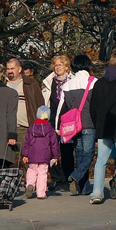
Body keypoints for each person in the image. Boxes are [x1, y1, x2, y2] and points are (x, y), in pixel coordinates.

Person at [89, 50, 116, 204]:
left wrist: (97, 123)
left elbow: (93, 107)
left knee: (101, 161)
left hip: (103, 127)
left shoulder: (99, 83)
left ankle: (97, 193)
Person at [59, 55, 97, 195]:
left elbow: (61, 108)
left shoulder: (67, 84)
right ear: (88, 65)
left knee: (80, 154)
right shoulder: (93, 82)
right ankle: (75, 176)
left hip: (73, 125)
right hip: (88, 123)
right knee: (89, 154)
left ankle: (84, 188)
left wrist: (58, 127)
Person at [43, 55, 75, 189]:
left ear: (67, 67)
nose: (57, 67)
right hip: (51, 120)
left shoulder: (73, 80)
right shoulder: (49, 81)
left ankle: (67, 177)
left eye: (60, 65)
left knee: (67, 150)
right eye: (56, 65)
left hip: (67, 120)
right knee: (51, 149)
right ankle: (56, 177)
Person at [6, 57, 45, 157]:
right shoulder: (3, 84)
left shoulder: (31, 84)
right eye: (8, 69)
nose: (10, 71)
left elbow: (40, 105)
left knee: (27, 158)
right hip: (7, 128)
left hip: (26, 127)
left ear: (19, 69)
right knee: (7, 159)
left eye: (12, 68)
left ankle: (27, 173)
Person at [22, 105, 60, 199]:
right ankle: (41, 193)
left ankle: (30, 184)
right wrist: (55, 156)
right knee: (42, 173)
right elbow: (54, 144)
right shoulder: (50, 129)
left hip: (33, 154)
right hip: (45, 155)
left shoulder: (31, 128)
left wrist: (25, 155)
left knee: (32, 170)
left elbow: (27, 142)